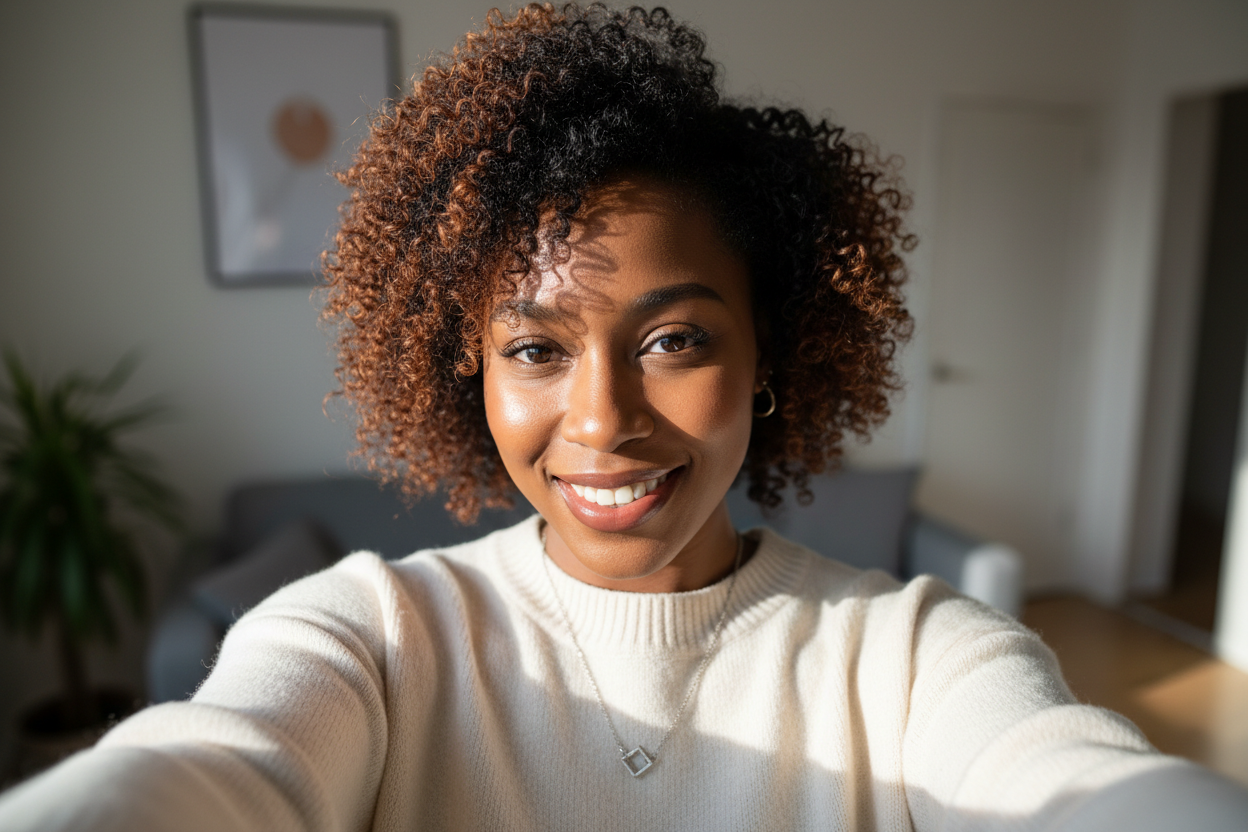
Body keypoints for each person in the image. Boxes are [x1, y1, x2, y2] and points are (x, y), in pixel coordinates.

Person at [3, 3, 1247, 830]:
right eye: (535, 348)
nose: (600, 420)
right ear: (471, 374)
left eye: (673, 340)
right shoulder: (375, 638)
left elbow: (1080, 786)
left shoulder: (915, 658)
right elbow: (207, 770)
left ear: (768, 352)